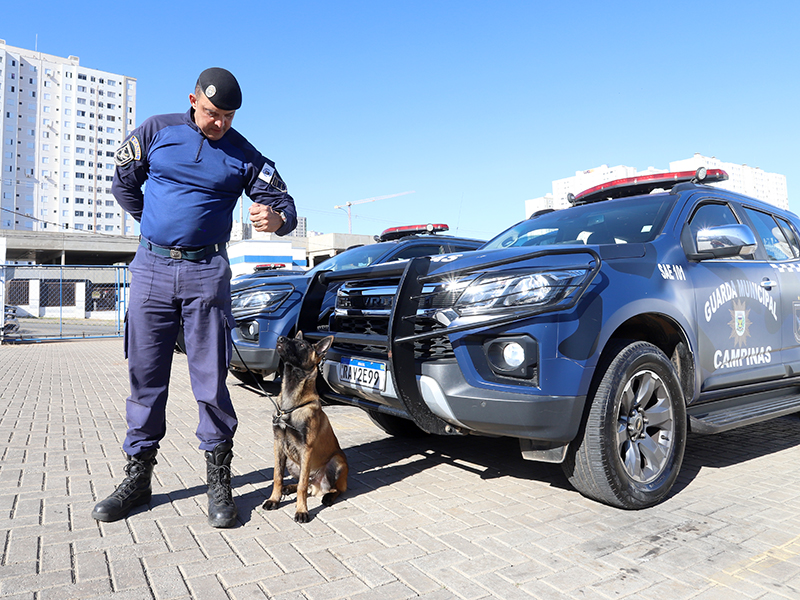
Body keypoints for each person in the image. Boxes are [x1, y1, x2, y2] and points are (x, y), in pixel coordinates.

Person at [91, 67, 296, 528]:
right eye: (211, 113)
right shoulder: (157, 130)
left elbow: (286, 205)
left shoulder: (244, 154)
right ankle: (138, 479)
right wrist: (157, 228)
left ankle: (218, 481)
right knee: (145, 377)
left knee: (211, 380)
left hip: (207, 272)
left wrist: (275, 220)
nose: (219, 123)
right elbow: (123, 182)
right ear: (192, 100)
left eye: (227, 116)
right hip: (151, 269)